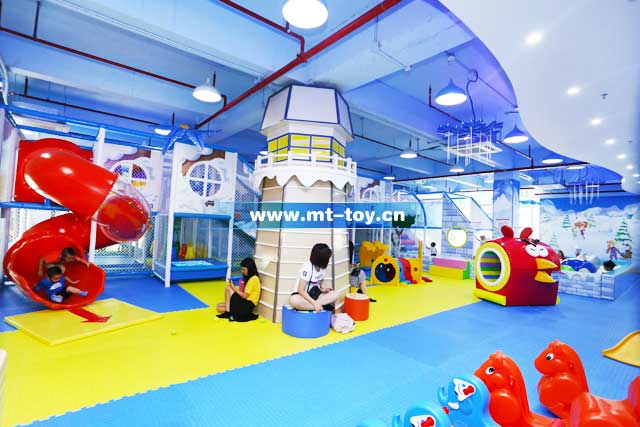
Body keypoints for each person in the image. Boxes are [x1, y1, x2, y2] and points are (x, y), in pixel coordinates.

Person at [289, 243, 339, 312]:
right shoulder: (307, 267)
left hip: (316, 295)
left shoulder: (322, 268)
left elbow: (321, 283)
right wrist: (314, 303)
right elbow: (301, 290)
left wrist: (323, 289)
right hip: (303, 296)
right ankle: (318, 306)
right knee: (294, 300)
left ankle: (309, 307)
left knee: (336, 294)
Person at [216, 258, 261, 322]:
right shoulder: (249, 278)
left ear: (250, 269)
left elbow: (245, 296)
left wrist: (233, 287)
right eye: (242, 269)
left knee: (228, 288)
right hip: (244, 302)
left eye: (244, 270)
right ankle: (229, 312)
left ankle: (228, 313)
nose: (242, 271)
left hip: (247, 305)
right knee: (219, 306)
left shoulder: (253, 279)